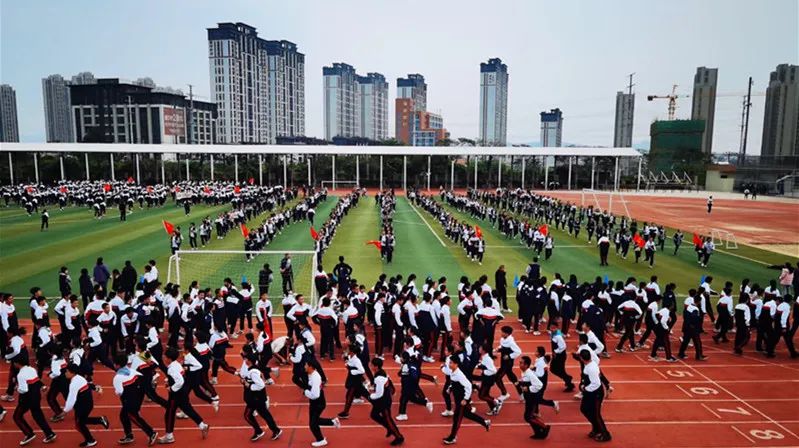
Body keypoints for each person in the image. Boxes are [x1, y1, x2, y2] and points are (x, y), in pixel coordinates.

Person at [158, 347, 210, 444]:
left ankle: (169, 436)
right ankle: (203, 426)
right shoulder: (177, 364)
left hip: (176, 395)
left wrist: (171, 388)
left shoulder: (171, 368)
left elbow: (180, 381)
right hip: (182, 392)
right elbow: (181, 376)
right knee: (188, 409)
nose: (164, 358)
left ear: (169, 358)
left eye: (165, 356)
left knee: (169, 413)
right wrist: (169, 381)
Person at [442, 355, 490, 445]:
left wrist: (465, 399)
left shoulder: (459, 374)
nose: (449, 364)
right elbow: (454, 383)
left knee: (457, 419)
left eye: (451, 363)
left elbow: (468, 386)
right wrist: (450, 388)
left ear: (456, 364)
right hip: (458, 399)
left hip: (461, 400)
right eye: (449, 362)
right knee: (468, 414)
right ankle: (485, 422)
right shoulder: (453, 372)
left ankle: (452, 437)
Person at [112, 353, 158, 446]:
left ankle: (151, 433)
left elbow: (119, 392)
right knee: (123, 415)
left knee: (133, 416)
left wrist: (117, 391)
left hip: (130, 399)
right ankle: (129, 435)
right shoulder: (131, 370)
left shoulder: (117, 378)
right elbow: (140, 375)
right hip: (139, 395)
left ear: (117, 365)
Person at [12, 356, 57, 446]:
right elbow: (36, 380)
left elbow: (24, 390)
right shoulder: (32, 369)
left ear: (17, 363)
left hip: (26, 399)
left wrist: (16, 388)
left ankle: (29, 434)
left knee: (17, 416)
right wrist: (42, 386)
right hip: (36, 396)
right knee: (38, 415)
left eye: (14, 362)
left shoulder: (20, 375)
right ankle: (49, 433)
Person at [63, 364, 109, 447]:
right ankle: (100, 420)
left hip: (82, 406)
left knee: (79, 424)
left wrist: (64, 411)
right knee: (82, 421)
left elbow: (71, 399)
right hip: (87, 404)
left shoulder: (73, 384)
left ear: (72, 373)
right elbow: (89, 384)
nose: (65, 373)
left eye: (67, 371)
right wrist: (96, 388)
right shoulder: (80, 378)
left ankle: (90, 440)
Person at [240, 354, 282, 442]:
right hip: (257, 398)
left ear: (249, 361)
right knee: (265, 414)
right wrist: (245, 381)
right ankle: (275, 430)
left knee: (247, 415)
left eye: (246, 358)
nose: (244, 360)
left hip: (255, 399)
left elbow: (261, 385)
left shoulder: (253, 372)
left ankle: (259, 431)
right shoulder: (253, 369)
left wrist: (248, 385)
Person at [304, 361, 341, 447]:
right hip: (315, 402)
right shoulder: (312, 374)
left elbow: (315, 395)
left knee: (313, 424)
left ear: (311, 366)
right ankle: (332, 422)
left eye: (306, 365)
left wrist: (306, 392)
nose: (304, 366)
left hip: (318, 403)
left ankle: (321, 440)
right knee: (314, 421)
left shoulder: (315, 377)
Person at [368, 358, 404, 445]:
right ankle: (389, 428)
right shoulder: (381, 373)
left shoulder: (378, 378)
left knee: (388, 419)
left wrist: (370, 396)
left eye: (372, 365)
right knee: (374, 415)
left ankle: (399, 437)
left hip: (383, 401)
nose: (371, 366)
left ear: (376, 367)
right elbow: (388, 383)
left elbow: (379, 394)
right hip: (384, 399)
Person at [578, 350, 611, 442]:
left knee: (596, 414)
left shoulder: (591, 368)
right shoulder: (589, 365)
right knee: (584, 409)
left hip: (596, 393)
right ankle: (596, 428)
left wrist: (585, 388)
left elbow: (596, 383)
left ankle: (605, 434)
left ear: (582, 358)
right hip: (590, 392)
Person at [518, 355, 551, 440]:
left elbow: (539, 385)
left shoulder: (529, 373)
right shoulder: (524, 372)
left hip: (532, 397)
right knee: (530, 416)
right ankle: (538, 432)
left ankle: (544, 428)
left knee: (528, 417)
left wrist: (528, 388)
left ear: (526, 365)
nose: (519, 364)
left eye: (521, 363)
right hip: (528, 397)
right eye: (519, 362)